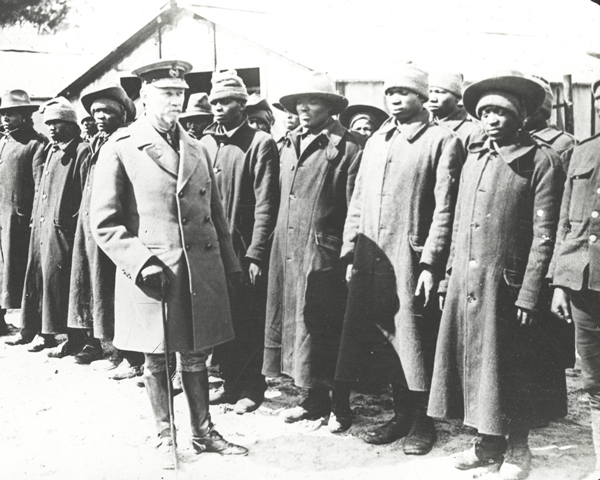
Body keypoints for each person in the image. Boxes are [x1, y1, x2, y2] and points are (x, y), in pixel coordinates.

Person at [90, 60, 248, 469]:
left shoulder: (196, 145)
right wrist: (141, 263)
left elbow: (215, 215)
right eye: (166, 93)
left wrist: (229, 267)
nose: (176, 100)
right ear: (144, 98)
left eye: (179, 93)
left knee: (197, 355)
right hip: (153, 273)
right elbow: (104, 223)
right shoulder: (122, 146)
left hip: (200, 270)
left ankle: (203, 431)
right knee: (156, 357)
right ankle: (166, 437)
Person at [428, 71, 567, 480]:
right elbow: (458, 225)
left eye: (501, 112)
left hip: (508, 288)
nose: (491, 119)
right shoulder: (476, 158)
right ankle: (487, 444)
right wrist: (447, 275)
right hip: (468, 284)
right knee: (478, 365)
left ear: (520, 116)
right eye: (485, 111)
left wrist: (528, 293)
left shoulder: (541, 160)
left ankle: (518, 449)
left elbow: (546, 235)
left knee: (512, 368)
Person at [335, 63, 463, 452]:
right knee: (385, 337)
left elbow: (446, 208)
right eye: (390, 92)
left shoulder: (441, 140)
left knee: (415, 339)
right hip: (373, 260)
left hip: (410, 259)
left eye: (404, 92)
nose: (395, 99)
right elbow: (357, 200)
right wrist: (350, 252)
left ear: (423, 97)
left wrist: (431, 264)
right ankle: (401, 414)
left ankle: (423, 422)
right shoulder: (377, 140)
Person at [263, 71, 362, 431]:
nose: (304, 108)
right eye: (298, 103)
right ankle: (313, 399)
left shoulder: (349, 148)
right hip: (287, 250)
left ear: (331, 108)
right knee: (298, 328)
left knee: (327, 329)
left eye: (313, 101)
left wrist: (348, 256)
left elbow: (356, 209)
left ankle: (340, 405)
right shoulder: (288, 143)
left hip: (324, 254)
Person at [201, 71, 280, 414]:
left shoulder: (260, 143)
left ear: (242, 104)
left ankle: (252, 387)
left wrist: (256, 254)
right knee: (222, 319)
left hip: (243, 247)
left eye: (226, 102)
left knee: (248, 319)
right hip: (211, 249)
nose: (218, 108)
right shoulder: (205, 144)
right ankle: (229, 383)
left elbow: (266, 203)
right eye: (214, 102)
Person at [67, 85, 142, 371]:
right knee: (98, 287)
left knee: (117, 291)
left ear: (122, 114)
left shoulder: (126, 142)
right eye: (96, 111)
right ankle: (116, 351)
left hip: (117, 228)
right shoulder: (99, 142)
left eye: (107, 111)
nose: (99, 116)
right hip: (92, 227)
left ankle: (133, 358)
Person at [550, 77, 600, 480]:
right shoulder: (584, 151)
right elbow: (566, 222)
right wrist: (560, 282)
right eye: (599, 99)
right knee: (594, 380)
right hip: (585, 283)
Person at [17, 98, 92, 355]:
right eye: (48, 123)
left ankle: (74, 337)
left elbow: (85, 194)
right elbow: (41, 188)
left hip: (64, 229)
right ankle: (43, 333)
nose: (51, 128)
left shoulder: (82, 151)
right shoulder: (52, 149)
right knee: (39, 279)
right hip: (43, 226)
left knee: (63, 282)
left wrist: (70, 223)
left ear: (71, 125)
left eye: (57, 123)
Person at [0, 90, 47, 339]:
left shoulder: (36, 144)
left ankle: (33, 327)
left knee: (24, 271)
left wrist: (33, 216)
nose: (6, 119)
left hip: (19, 221)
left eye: (12, 114)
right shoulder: (3, 141)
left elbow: (40, 186)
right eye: (4, 115)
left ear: (25, 116)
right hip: (1, 216)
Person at [523, 76, 577, 172]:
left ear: (543, 109)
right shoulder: (510, 140)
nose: (523, 108)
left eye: (529, 103)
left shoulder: (564, 144)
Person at [427, 71, 485, 152]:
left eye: (440, 92)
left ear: (458, 98)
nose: (432, 99)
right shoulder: (426, 127)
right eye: (430, 91)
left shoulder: (473, 132)